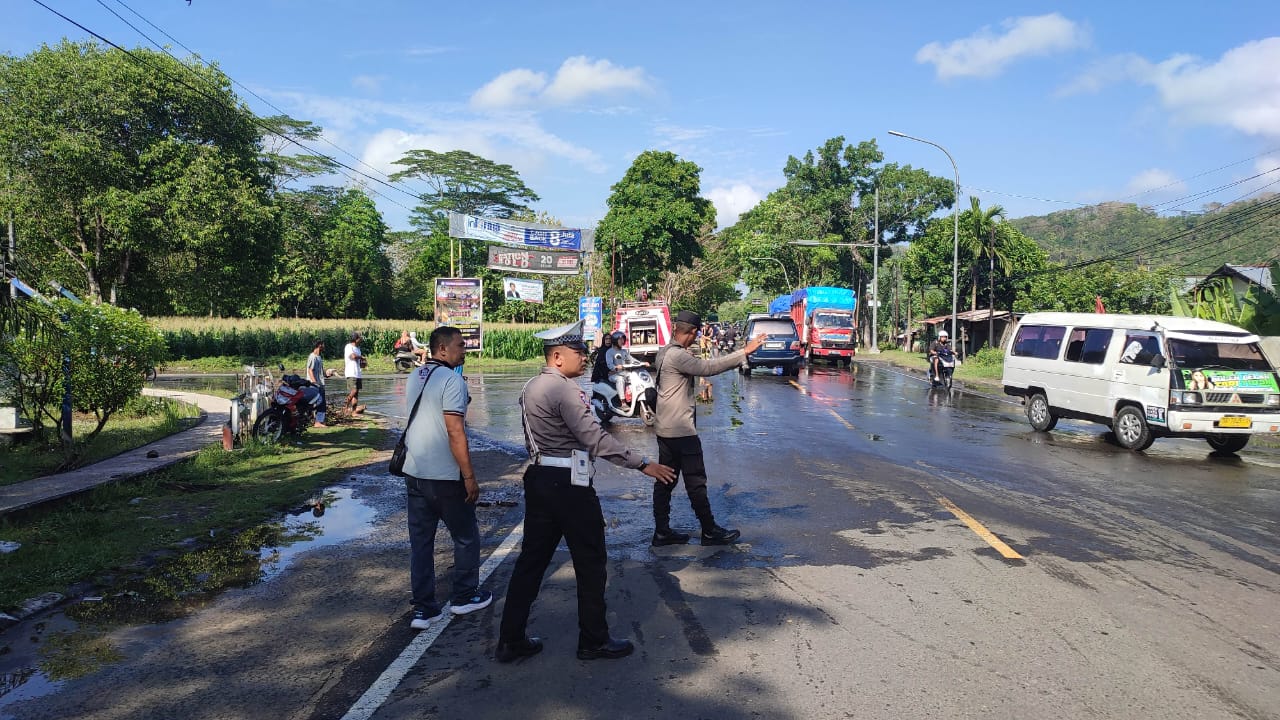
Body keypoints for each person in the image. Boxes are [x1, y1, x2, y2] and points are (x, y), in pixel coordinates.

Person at [496, 321, 677, 663]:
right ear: (558, 356)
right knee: (591, 562)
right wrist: (642, 463)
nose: (585, 359)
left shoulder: (531, 386)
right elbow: (594, 439)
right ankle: (593, 640)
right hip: (569, 486)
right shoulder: (565, 390)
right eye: (579, 353)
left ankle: (510, 639)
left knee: (531, 563)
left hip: (539, 478)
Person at [651, 310, 766, 547]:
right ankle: (709, 530)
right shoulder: (678, 356)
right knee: (695, 482)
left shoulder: (665, 352)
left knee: (665, 480)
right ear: (692, 332)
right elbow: (708, 368)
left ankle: (662, 532)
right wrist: (744, 351)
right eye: (696, 334)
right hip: (681, 431)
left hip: (665, 429)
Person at [403, 326, 492, 631]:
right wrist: (469, 477)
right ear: (442, 349)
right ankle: (464, 595)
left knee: (421, 544)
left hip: (414, 474)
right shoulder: (452, 381)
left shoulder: (415, 376)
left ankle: (424, 610)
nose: (464, 351)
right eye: (459, 346)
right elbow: (456, 432)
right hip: (445, 477)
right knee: (466, 536)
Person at [605, 330, 646, 403]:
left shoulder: (624, 351)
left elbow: (632, 360)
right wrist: (615, 367)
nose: (622, 341)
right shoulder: (609, 352)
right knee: (620, 379)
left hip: (625, 373)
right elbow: (609, 364)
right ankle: (623, 402)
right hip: (614, 374)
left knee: (636, 378)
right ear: (615, 340)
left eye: (623, 339)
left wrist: (642, 363)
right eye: (620, 339)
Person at [306, 339, 328, 427]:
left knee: (322, 402)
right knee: (320, 401)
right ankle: (318, 422)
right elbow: (310, 370)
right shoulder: (313, 357)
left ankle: (319, 421)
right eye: (323, 344)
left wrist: (328, 373)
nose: (324, 346)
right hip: (314, 384)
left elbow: (321, 373)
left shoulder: (319, 357)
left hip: (320, 383)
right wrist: (314, 383)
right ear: (319, 345)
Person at [343, 332, 366, 414]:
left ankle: (354, 411)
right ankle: (345, 407)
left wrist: (363, 363)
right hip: (351, 373)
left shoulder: (358, 349)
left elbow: (360, 364)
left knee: (356, 394)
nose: (361, 339)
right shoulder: (349, 347)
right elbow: (352, 356)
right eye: (360, 338)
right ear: (356, 339)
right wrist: (361, 357)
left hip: (357, 373)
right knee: (354, 391)